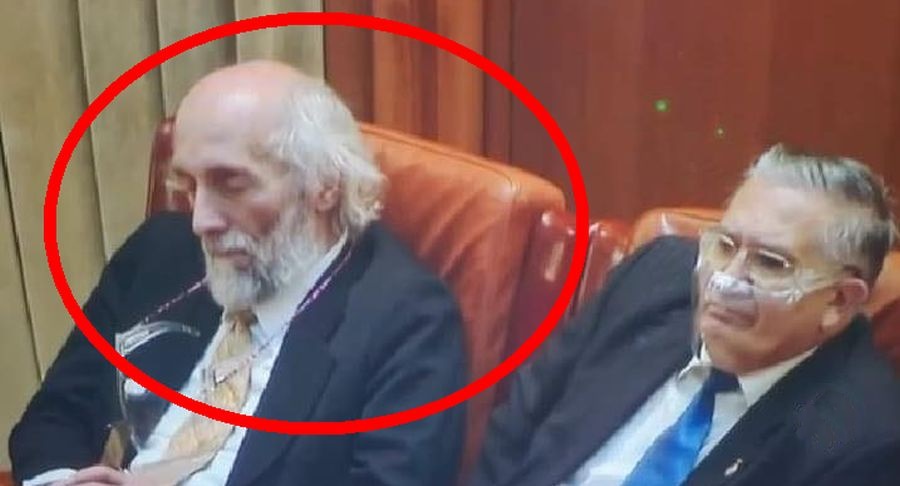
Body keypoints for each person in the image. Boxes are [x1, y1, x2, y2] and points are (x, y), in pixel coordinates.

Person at [10, 60, 466, 486]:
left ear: (325, 184)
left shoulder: (409, 322)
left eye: (231, 184)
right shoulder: (161, 252)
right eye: (188, 185)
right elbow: (54, 417)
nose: (200, 222)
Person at [475, 145, 900, 486]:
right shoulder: (654, 277)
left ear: (838, 301)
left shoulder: (861, 443)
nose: (726, 281)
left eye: (770, 263)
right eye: (725, 246)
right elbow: (514, 432)